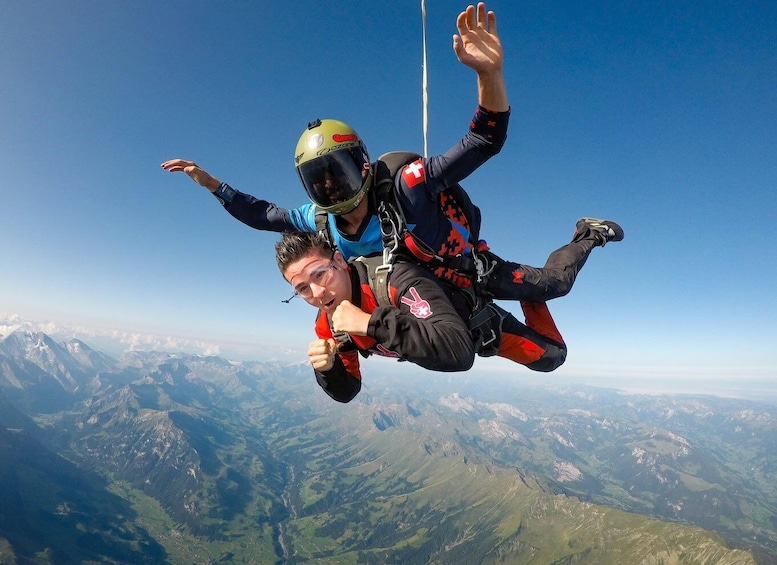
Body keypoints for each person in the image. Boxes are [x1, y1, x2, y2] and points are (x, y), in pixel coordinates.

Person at [161, 2, 624, 309]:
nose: (329, 188)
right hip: (412, 287)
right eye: (317, 182)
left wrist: (490, 75)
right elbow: (263, 215)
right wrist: (213, 185)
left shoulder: (408, 186)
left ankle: (587, 235)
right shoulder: (318, 220)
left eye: (337, 174)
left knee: (553, 286)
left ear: (363, 165)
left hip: (464, 269)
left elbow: (483, 141)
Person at [276, 231, 567, 403]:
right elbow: (348, 390)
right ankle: (528, 291)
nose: (317, 292)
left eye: (320, 274)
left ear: (339, 261)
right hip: (458, 339)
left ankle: (582, 241)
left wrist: (370, 323)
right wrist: (327, 370)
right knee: (550, 360)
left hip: (481, 325)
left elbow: (459, 352)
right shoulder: (328, 324)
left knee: (553, 355)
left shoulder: (395, 281)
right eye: (302, 288)